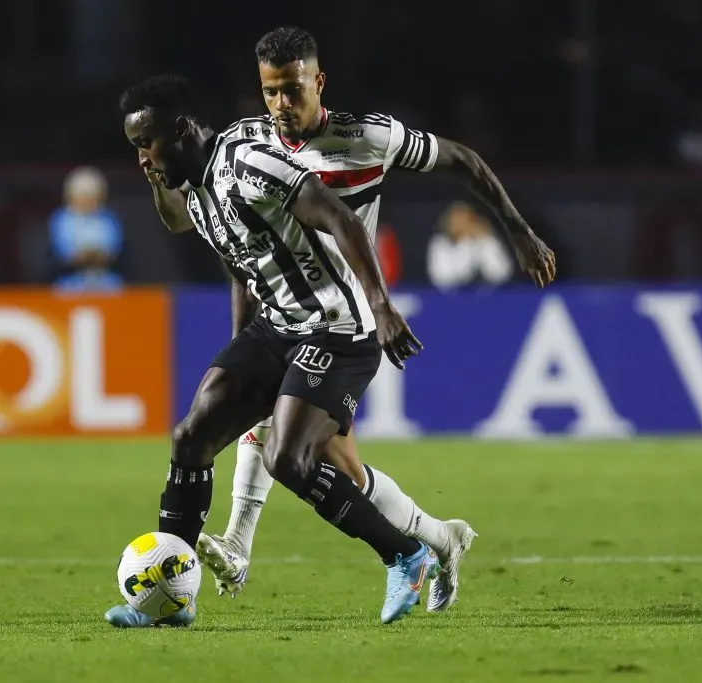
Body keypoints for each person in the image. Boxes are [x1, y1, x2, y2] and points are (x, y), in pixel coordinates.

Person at [195, 27, 557, 612]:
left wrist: (516, 227)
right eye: (270, 93)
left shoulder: (367, 137)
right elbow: (242, 255)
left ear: (319, 82)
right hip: (285, 319)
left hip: (344, 322)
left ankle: (240, 545)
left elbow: (462, 160)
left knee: (286, 447)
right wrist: (243, 341)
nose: (282, 106)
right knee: (342, 470)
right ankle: (441, 538)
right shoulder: (250, 148)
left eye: (292, 90)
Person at [105, 73, 440, 628]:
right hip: (278, 327)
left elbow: (338, 215)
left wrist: (381, 307)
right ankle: (173, 597)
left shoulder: (247, 162)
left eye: (147, 143)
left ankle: (407, 554)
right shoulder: (196, 187)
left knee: (288, 458)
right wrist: (157, 170)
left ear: (184, 130)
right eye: (135, 147)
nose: (141, 158)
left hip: (337, 326)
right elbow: (180, 221)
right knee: (191, 437)